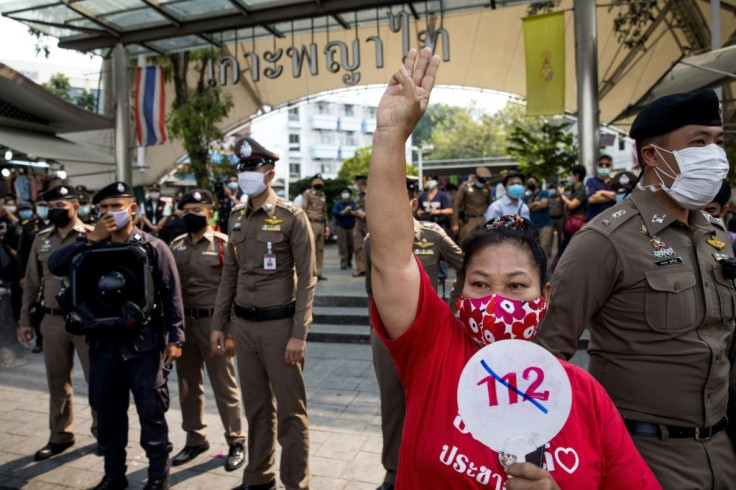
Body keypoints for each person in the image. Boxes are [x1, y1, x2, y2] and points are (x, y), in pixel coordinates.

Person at [365, 48, 661, 489]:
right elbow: (391, 256)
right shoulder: (435, 351)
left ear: (543, 299)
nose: (497, 299)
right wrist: (390, 134)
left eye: (516, 285)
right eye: (480, 284)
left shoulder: (583, 396)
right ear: (459, 295)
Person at [537, 89, 736, 489]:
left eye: (717, 142)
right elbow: (545, 354)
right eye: (698, 142)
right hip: (641, 455)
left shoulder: (715, 235)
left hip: (721, 450)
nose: (714, 155)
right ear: (651, 156)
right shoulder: (604, 241)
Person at [48, 181, 185, 490]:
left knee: (151, 414)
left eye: (116, 207)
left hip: (142, 346)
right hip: (102, 345)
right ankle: (114, 476)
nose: (110, 213)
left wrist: (176, 338)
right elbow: (55, 266)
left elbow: (171, 293)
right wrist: (89, 240)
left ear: (132, 209)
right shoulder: (92, 245)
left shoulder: (153, 246)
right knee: (108, 415)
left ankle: (157, 477)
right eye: (103, 208)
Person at [211, 136, 315, 490]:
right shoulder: (237, 216)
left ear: (269, 174)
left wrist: (299, 333)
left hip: (279, 327)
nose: (246, 175)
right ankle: (258, 476)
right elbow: (230, 275)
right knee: (256, 408)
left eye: (253, 169)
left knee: (290, 412)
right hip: (244, 326)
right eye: (243, 169)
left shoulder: (291, 216)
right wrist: (220, 325)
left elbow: (308, 279)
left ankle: (295, 483)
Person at [365, 176, 463, 490]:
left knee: (431, 403)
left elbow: (466, 264)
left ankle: (430, 467)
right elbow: (372, 289)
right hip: (388, 336)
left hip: (428, 335)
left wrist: (452, 304)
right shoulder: (372, 241)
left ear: (413, 204)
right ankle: (393, 473)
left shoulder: (434, 236)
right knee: (392, 403)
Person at [17, 185, 98, 460]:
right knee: (57, 381)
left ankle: (104, 432)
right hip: (52, 320)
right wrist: (25, 320)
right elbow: (31, 282)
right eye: (51, 207)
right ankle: (60, 435)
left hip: (87, 321)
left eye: (61, 206)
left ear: (76, 206)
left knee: (97, 380)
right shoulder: (41, 239)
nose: (55, 211)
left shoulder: (92, 235)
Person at [168, 189, 246, 472]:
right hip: (184, 326)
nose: (191, 216)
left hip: (216, 325)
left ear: (210, 212)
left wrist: (232, 331)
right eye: (186, 211)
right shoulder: (175, 245)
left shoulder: (224, 244)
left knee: (225, 386)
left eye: (197, 210)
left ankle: (236, 440)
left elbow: (236, 291)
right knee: (188, 387)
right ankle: (195, 439)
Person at [17, 200, 47, 353]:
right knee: (38, 309)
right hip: (36, 273)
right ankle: (41, 340)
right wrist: (23, 275)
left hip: (55, 275)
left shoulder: (58, 225)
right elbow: (22, 254)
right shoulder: (30, 227)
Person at [451, 167, 492, 245]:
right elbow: (457, 204)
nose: (482, 182)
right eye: (481, 180)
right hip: (469, 219)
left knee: (484, 243)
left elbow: (490, 204)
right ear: (476, 177)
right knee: (465, 242)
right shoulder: (465, 186)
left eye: (485, 180)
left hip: (482, 218)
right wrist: (455, 223)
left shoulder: (486, 187)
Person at [555, 165, 586, 258]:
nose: (569, 177)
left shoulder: (582, 190)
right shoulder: (573, 188)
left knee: (568, 247)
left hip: (576, 223)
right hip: (570, 222)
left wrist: (562, 195)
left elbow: (571, 205)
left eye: (570, 175)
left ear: (576, 176)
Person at [301, 174, 328, 281]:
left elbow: (324, 211)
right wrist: (305, 225)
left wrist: (327, 226)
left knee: (320, 250)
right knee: (311, 249)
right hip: (311, 223)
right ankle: (309, 273)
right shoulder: (307, 194)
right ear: (312, 183)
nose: (318, 183)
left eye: (320, 181)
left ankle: (319, 272)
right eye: (316, 181)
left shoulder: (323, 195)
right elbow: (304, 209)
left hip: (321, 224)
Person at [523, 176, 553, 258]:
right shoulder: (526, 197)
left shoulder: (543, 193)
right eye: (529, 182)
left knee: (544, 250)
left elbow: (544, 204)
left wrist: (531, 207)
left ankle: (544, 270)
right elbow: (524, 208)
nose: (530, 184)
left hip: (545, 225)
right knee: (533, 251)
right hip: (532, 227)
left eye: (532, 182)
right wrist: (536, 203)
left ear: (537, 183)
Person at [585, 154, 617, 221]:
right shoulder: (590, 181)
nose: (604, 166)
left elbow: (618, 198)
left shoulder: (615, 181)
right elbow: (591, 199)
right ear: (597, 166)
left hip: (611, 220)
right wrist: (611, 196)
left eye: (607, 164)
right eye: (601, 164)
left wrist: (601, 192)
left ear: (612, 166)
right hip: (593, 220)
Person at [332, 187, 356, 270]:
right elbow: (335, 213)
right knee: (342, 246)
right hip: (341, 228)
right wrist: (344, 211)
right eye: (344, 192)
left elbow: (357, 212)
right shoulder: (337, 204)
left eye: (347, 192)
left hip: (352, 227)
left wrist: (352, 212)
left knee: (351, 246)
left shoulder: (353, 203)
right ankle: (343, 262)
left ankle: (349, 260)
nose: (345, 194)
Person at [352, 175, 368, 277]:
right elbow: (356, 208)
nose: (357, 185)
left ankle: (370, 269)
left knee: (370, 245)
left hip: (369, 222)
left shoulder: (371, 193)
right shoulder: (357, 196)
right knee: (357, 246)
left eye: (358, 183)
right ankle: (361, 269)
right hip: (358, 221)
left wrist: (367, 213)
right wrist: (354, 212)